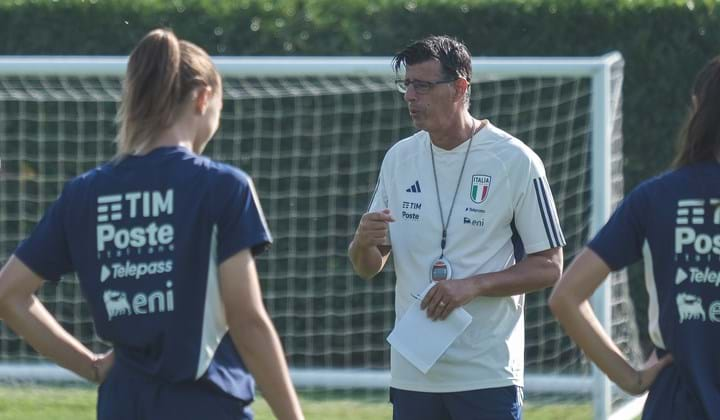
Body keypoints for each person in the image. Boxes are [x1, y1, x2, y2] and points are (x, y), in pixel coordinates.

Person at [0, 29, 304, 420]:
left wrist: (90, 365)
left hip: (121, 405)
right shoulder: (223, 187)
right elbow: (246, 319)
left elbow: (9, 294)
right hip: (207, 406)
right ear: (203, 97)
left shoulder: (84, 193)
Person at [348, 35, 565, 420]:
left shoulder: (514, 160)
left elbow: (549, 264)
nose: (410, 96)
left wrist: (473, 285)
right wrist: (362, 242)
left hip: (487, 374)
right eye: (407, 85)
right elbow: (368, 266)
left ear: (460, 87)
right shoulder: (399, 158)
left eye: (423, 85)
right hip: (413, 374)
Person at [548, 56, 720, 420]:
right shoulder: (655, 198)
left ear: (697, 108)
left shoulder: (656, 196)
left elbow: (566, 295)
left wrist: (631, 379)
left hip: (674, 406)